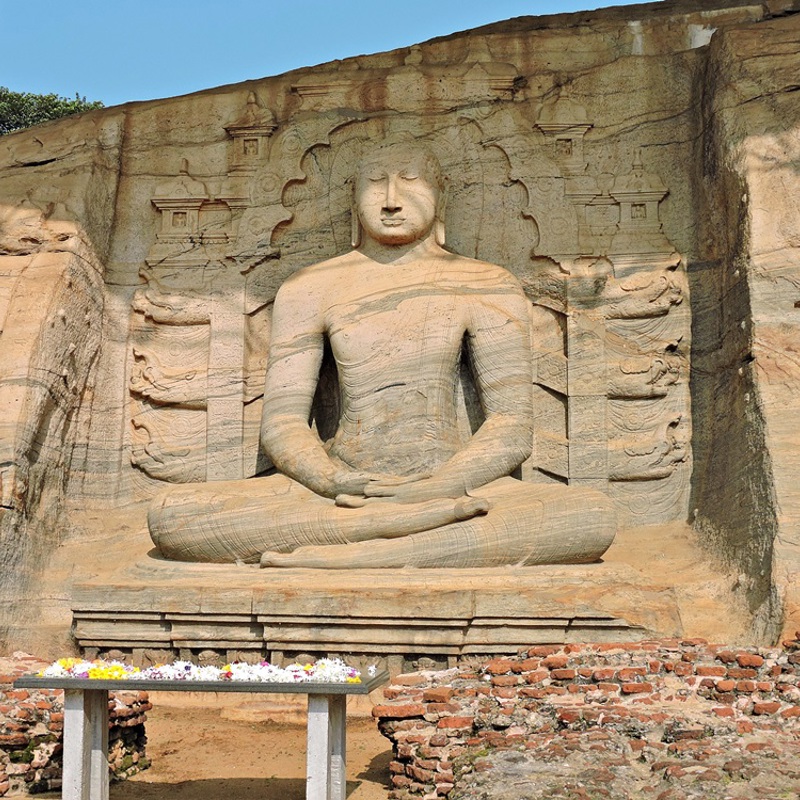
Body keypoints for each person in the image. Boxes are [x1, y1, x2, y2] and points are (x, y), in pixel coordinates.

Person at [148, 142, 615, 568]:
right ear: (353, 202)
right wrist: (331, 480)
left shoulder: (487, 284)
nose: (391, 199)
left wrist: (440, 486)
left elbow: (511, 427)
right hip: (342, 496)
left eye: (411, 181)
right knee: (171, 517)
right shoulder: (310, 287)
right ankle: (401, 539)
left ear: (441, 198)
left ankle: (336, 556)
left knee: (589, 516)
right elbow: (284, 424)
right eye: (375, 184)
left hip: (455, 486)